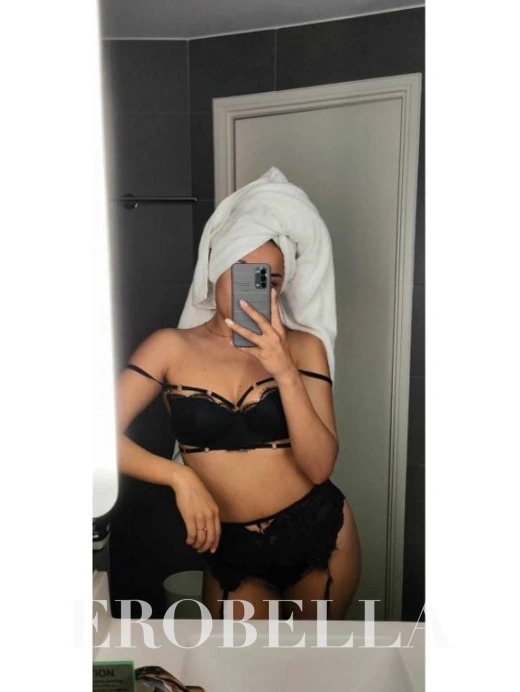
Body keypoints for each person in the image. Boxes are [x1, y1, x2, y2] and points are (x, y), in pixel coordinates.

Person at [116, 168, 361, 620]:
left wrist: (284, 370)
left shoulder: (303, 347)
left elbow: (320, 466)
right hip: (231, 552)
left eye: (271, 279)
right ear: (217, 268)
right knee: (237, 663)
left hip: (318, 534)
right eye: (246, 274)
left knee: (318, 662)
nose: (258, 291)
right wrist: (180, 478)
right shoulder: (169, 348)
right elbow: (93, 436)